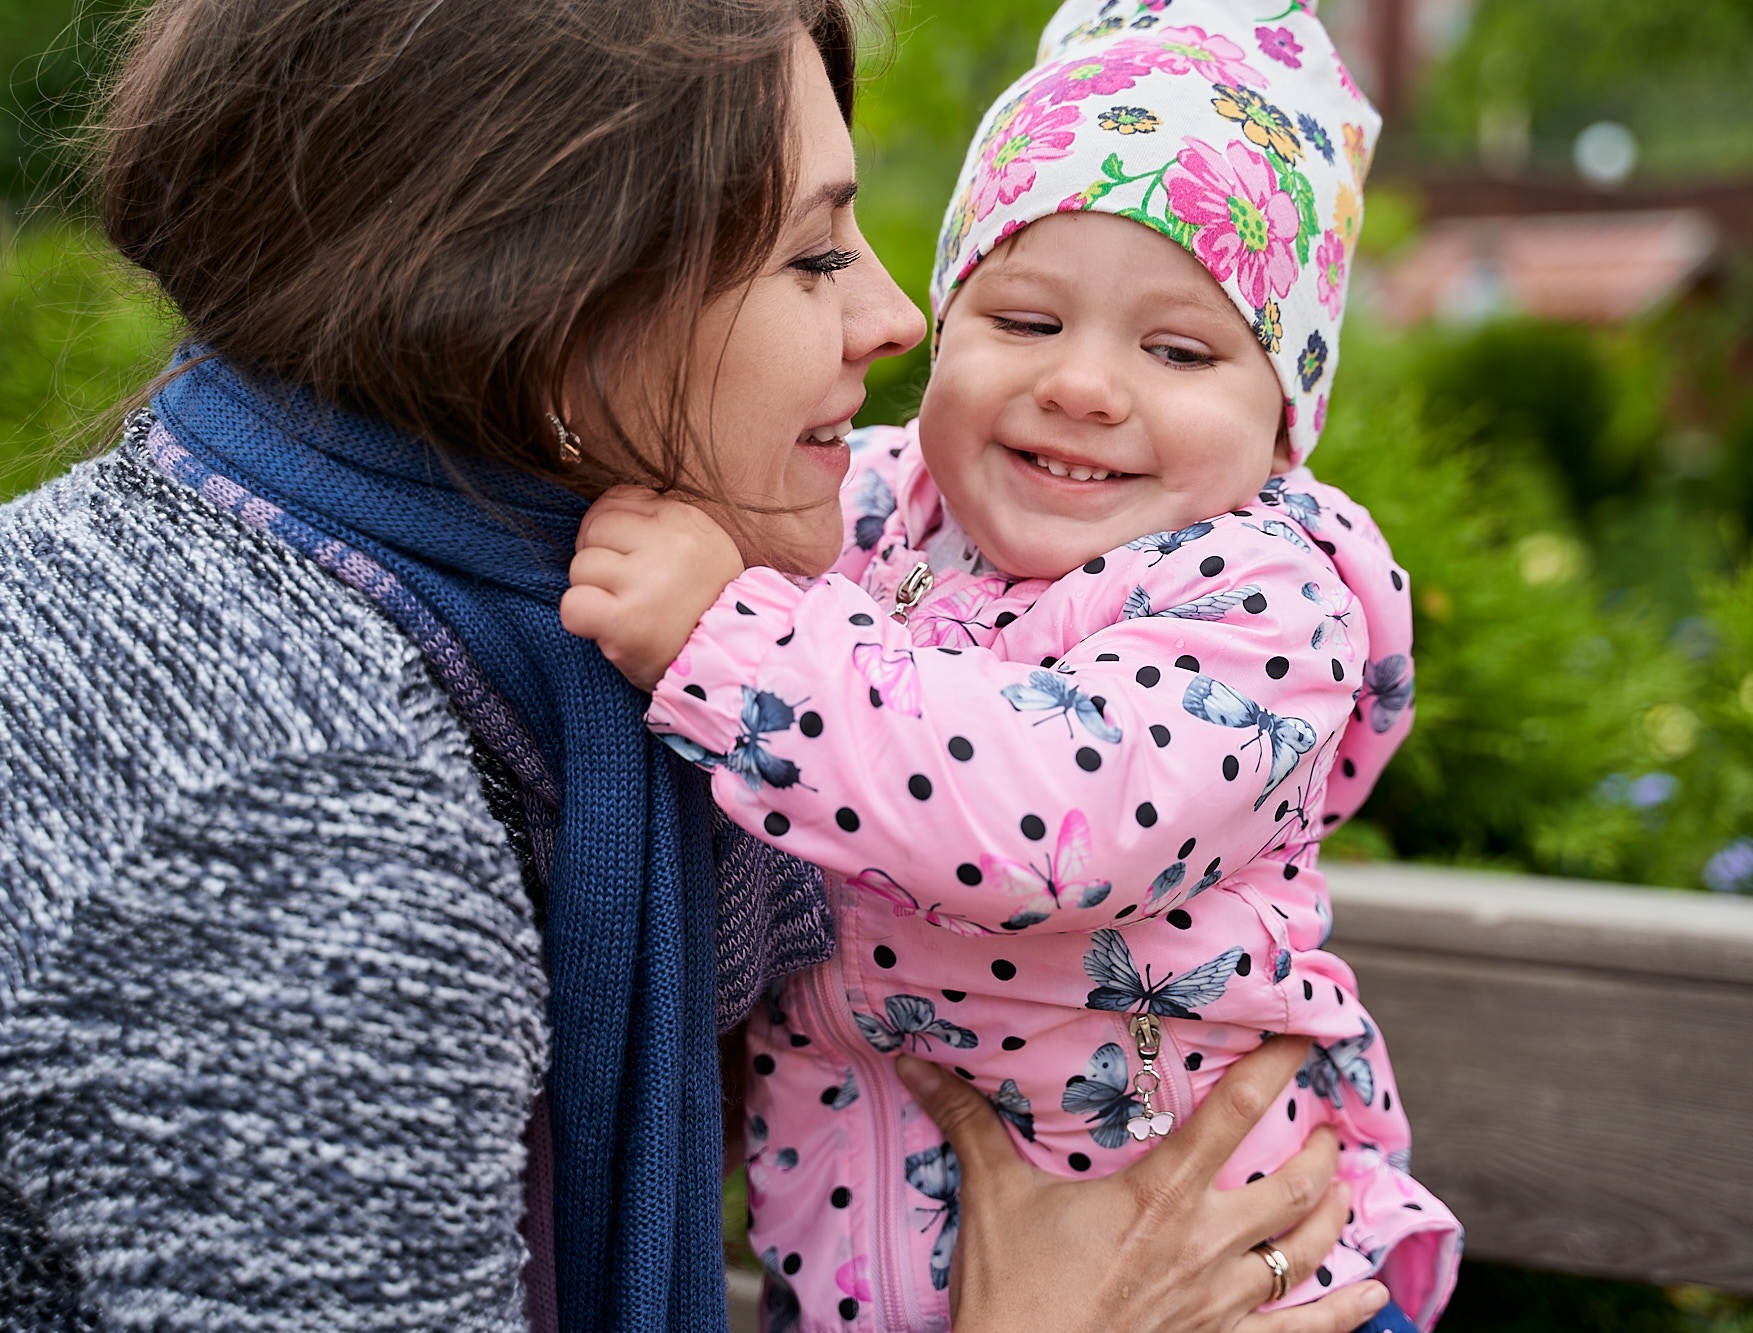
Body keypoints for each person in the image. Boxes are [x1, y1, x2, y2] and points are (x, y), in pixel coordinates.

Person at [0, 0, 1397, 1329]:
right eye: (813, 253)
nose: (900, 320)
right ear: (541, 301)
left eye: (1177, 346)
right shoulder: (301, 842)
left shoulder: (406, 617)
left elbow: (1054, 793)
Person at [562, 1, 1459, 1329]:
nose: (1084, 385)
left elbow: (1050, 815)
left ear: (1285, 427)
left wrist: (723, 640)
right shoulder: (875, 515)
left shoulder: (1265, 615)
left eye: (1178, 349)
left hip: (1229, 1289)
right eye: (1026, 319)